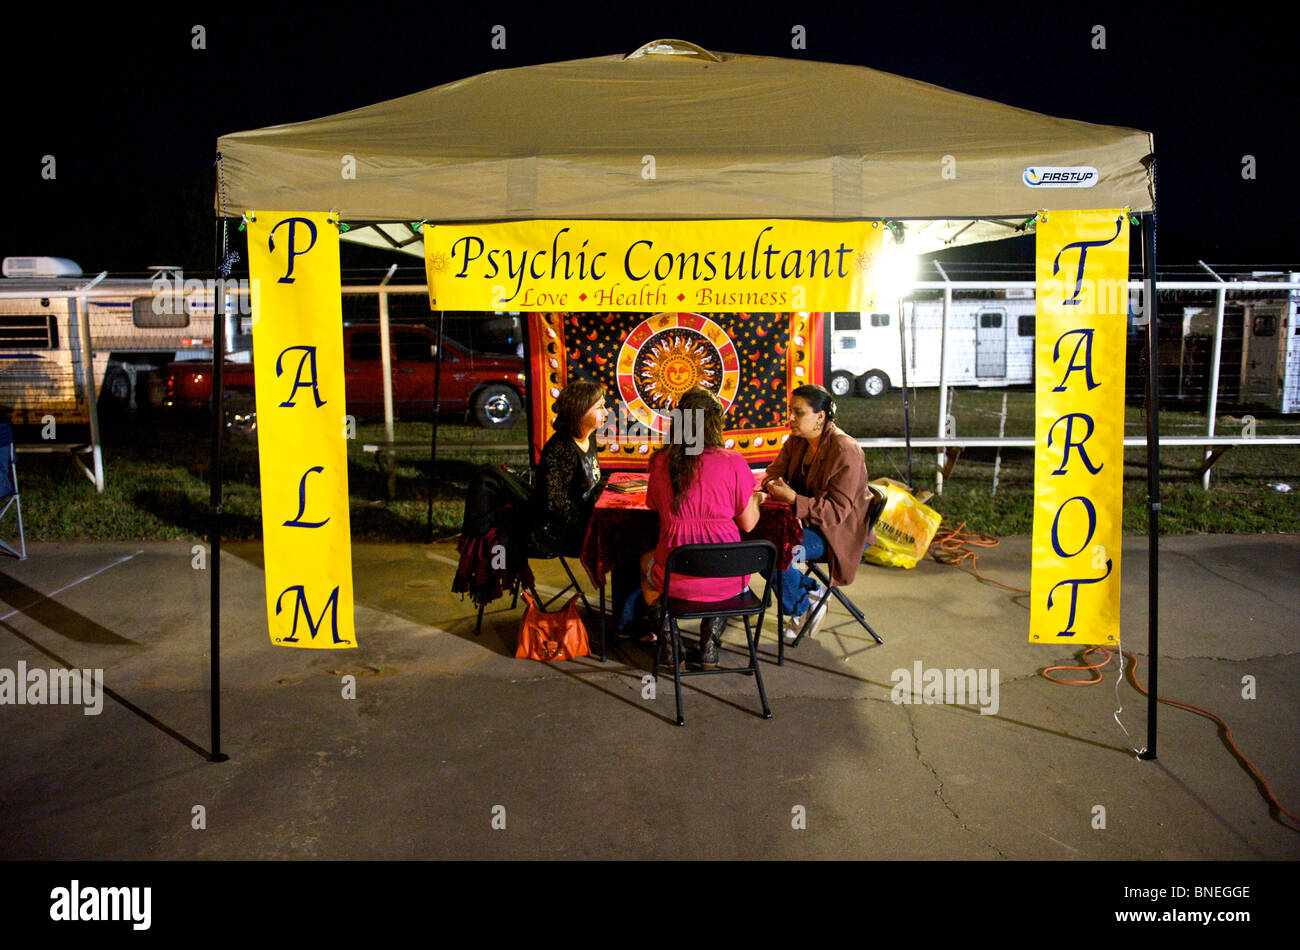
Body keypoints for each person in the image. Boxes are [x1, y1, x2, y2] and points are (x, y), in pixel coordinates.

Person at [640, 387, 765, 670]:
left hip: (675, 574)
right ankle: (709, 644)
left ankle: (671, 643)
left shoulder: (661, 461)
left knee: (645, 563)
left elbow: (652, 506)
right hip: (729, 577)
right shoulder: (733, 462)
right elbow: (748, 523)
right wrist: (756, 498)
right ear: (715, 423)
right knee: (718, 571)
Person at [761, 384, 874, 641]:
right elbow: (771, 474)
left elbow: (837, 513)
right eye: (790, 411)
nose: (790, 418)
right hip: (805, 524)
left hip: (839, 533)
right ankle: (810, 594)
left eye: (798, 413)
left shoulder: (845, 450)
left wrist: (792, 498)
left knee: (775, 551)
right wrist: (772, 485)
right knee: (756, 545)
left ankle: (802, 605)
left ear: (820, 417)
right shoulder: (796, 442)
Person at [533, 380, 609, 557]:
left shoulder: (587, 438)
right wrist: (592, 523)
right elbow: (555, 506)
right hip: (558, 532)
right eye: (599, 407)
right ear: (580, 410)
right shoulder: (562, 448)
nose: (605, 412)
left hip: (582, 523)